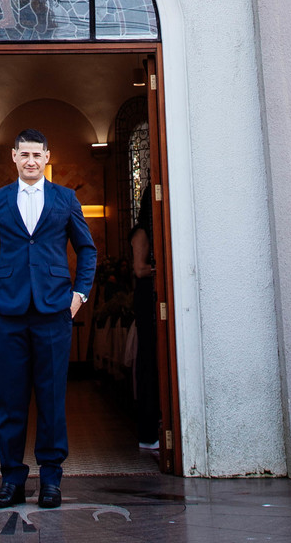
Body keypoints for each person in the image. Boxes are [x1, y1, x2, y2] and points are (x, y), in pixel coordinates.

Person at [0, 128, 96, 509]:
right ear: (13, 157)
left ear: (47, 157)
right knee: (10, 400)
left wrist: (78, 298)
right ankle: (11, 479)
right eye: (23, 154)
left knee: (52, 398)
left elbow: (86, 250)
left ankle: (51, 480)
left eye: (36, 155)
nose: (30, 161)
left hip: (54, 312)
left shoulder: (66, 198)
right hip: (7, 313)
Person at [129, 193, 160, 451]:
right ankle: (148, 429)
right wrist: (159, 269)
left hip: (153, 296)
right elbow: (139, 269)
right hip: (145, 297)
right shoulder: (141, 233)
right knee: (148, 357)